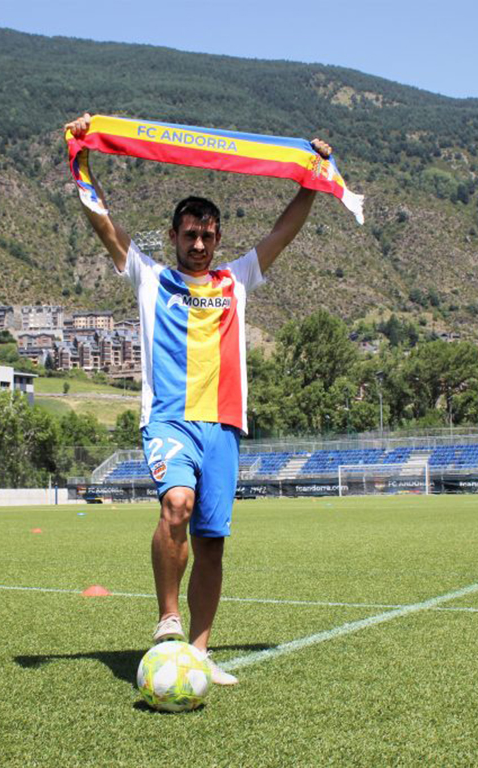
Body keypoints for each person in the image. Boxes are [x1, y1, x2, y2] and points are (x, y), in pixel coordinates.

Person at [64, 113, 332, 685]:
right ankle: (168, 617)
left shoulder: (237, 281)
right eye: (190, 234)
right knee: (176, 505)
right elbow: (101, 219)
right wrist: (81, 155)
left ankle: (201, 651)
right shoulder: (148, 277)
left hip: (224, 426)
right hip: (168, 419)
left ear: (218, 237)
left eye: (208, 234)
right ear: (173, 236)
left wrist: (311, 177)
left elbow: (285, 230)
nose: (199, 242)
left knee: (212, 544)